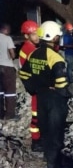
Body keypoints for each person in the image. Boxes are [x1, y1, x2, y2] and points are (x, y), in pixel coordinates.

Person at [19, 21, 72, 168]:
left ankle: (50, 167)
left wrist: (33, 89)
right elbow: (62, 84)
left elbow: (24, 75)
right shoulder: (55, 58)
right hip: (55, 101)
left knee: (46, 132)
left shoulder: (33, 54)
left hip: (40, 97)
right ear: (55, 37)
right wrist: (63, 94)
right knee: (56, 133)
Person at [19, 20, 43, 152]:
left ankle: (37, 138)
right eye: (33, 34)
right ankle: (36, 141)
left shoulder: (27, 48)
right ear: (26, 36)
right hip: (36, 86)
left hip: (33, 85)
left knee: (37, 114)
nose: (37, 36)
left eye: (37, 33)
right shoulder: (30, 49)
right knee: (36, 115)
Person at [0, 23, 17, 120]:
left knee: (0, 91)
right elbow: (12, 54)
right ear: (5, 30)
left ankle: (0, 113)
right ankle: (10, 114)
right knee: (10, 91)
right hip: (7, 67)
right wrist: (12, 57)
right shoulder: (7, 38)